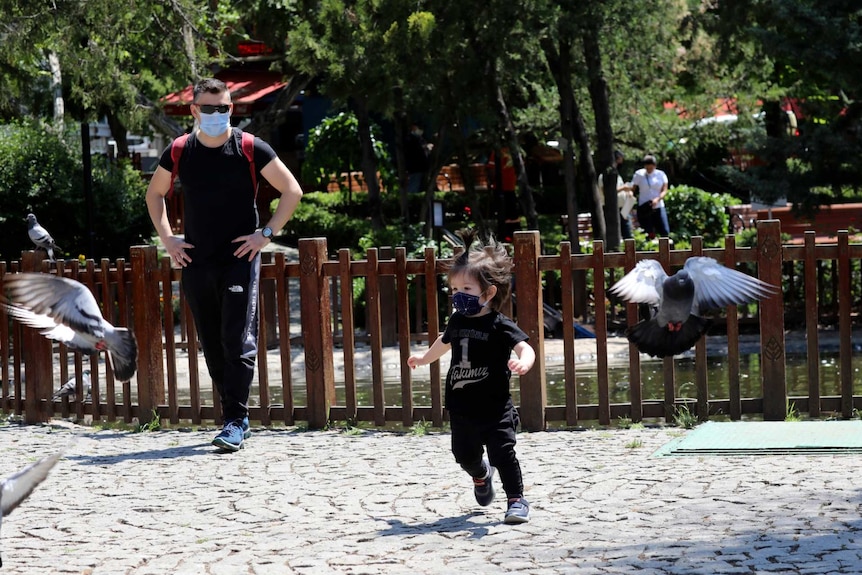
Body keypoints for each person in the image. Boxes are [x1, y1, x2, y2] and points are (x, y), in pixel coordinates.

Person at [145, 78, 303, 452]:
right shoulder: (180, 150)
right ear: (194, 110)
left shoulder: (250, 147)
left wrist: (265, 233)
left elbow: (291, 190)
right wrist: (168, 240)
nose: (217, 114)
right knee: (213, 343)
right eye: (209, 108)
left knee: (236, 338)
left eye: (224, 108)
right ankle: (232, 416)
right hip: (196, 260)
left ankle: (235, 419)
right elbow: (154, 194)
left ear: (231, 109)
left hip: (239, 259)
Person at [407, 229, 536, 524]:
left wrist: (523, 362)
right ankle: (480, 474)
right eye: (455, 290)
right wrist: (424, 358)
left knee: (503, 452)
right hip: (461, 406)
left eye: (466, 290)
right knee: (464, 454)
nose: (458, 296)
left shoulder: (499, 324)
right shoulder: (457, 320)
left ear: (488, 293)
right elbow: (444, 340)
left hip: (495, 407)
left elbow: (524, 347)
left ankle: (516, 500)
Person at [597, 150, 636, 240]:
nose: (620, 164)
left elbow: (620, 189)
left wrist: (628, 192)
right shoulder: (604, 176)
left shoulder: (617, 176)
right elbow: (606, 192)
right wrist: (623, 188)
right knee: (619, 235)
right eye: (619, 161)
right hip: (612, 209)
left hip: (623, 208)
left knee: (628, 233)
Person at [630, 154, 670, 239]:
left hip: (658, 206)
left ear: (655, 166)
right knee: (648, 232)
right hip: (644, 207)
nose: (649, 170)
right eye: (647, 168)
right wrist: (630, 196)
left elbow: (665, 190)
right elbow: (632, 188)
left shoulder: (661, 174)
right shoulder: (639, 174)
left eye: (651, 168)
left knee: (664, 231)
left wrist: (658, 199)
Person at [405, 123, 431, 193]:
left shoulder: (419, 139)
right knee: (414, 187)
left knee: (419, 186)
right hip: (415, 168)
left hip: (421, 167)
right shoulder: (410, 139)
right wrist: (425, 148)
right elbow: (414, 152)